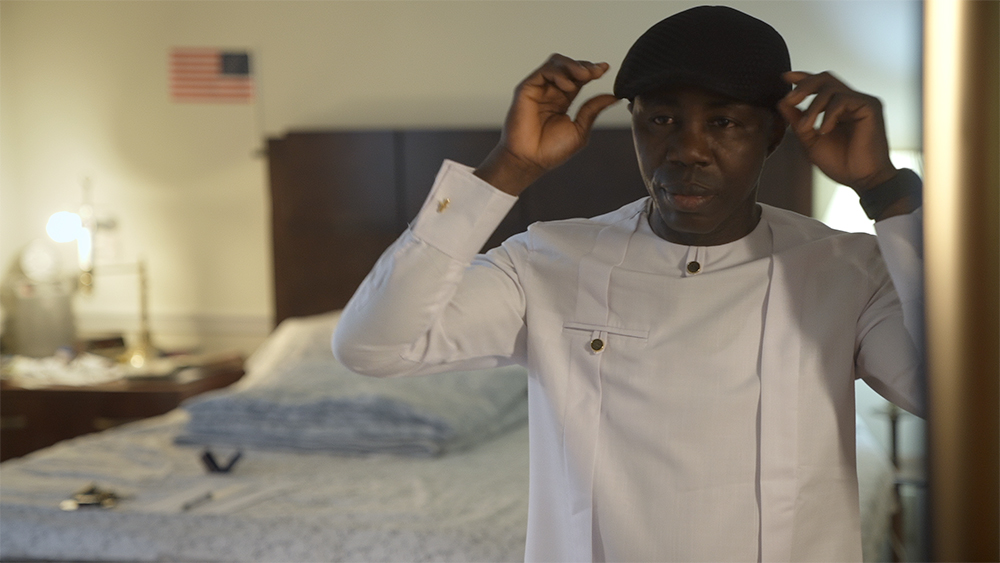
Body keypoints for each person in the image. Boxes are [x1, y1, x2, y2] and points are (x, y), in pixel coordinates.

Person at [333, 5, 923, 562]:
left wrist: (885, 190)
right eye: (661, 119)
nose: (688, 150)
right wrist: (505, 170)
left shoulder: (848, 270)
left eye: (724, 122)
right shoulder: (548, 261)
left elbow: (951, 394)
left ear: (772, 135)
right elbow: (372, 346)